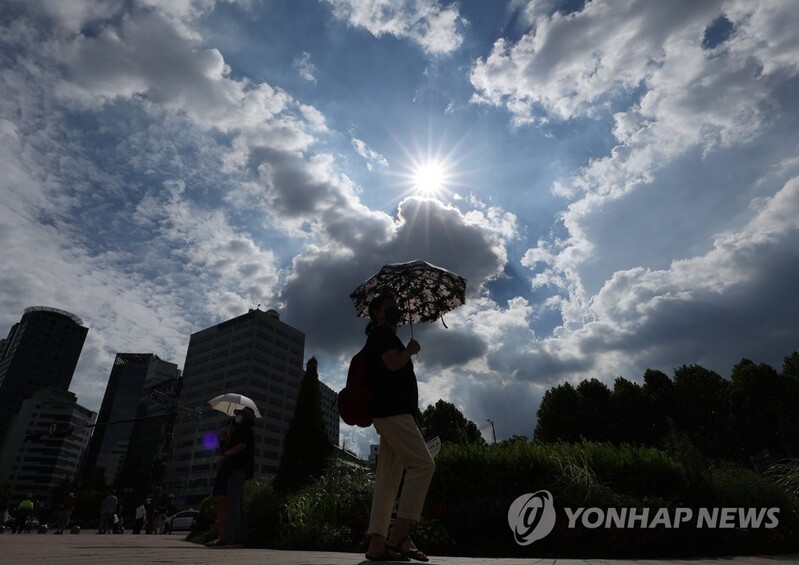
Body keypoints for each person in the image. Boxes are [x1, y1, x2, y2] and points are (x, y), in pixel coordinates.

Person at [364, 294, 434, 562]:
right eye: (390, 307)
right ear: (377, 314)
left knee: (388, 479)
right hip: (392, 412)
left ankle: (377, 543)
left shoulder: (382, 336)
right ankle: (400, 534)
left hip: (390, 413)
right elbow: (392, 364)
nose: (396, 310)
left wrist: (413, 413)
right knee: (423, 465)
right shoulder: (382, 335)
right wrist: (410, 351)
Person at [206, 405, 254, 548]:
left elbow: (241, 446)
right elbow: (228, 449)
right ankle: (231, 537)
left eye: (239, 414)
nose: (236, 416)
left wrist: (226, 454)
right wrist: (224, 440)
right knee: (233, 503)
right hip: (230, 469)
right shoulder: (234, 431)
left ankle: (232, 539)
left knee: (233, 503)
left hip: (238, 469)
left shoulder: (246, 430)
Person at [204, 424, 232, 546]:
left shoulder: (229, 444)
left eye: (222, 435)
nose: (220, 437)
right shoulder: (223, 445)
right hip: (222, 473)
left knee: (223, 502)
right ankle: (220, 535)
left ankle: (223, 536)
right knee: (220, 502)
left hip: (227, 473)